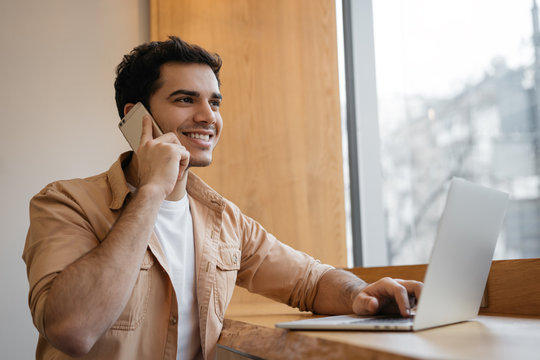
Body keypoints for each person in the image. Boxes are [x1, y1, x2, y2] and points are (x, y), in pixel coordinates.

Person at [23, 36, 422, 360]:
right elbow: (71, 330)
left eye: (213, 101)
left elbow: (309, 281)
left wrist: (360, 295)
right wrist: (151, 191)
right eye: (185, 99)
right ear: (136, 118)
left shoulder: (223, 220)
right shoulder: (65, 203)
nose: (208, 116)